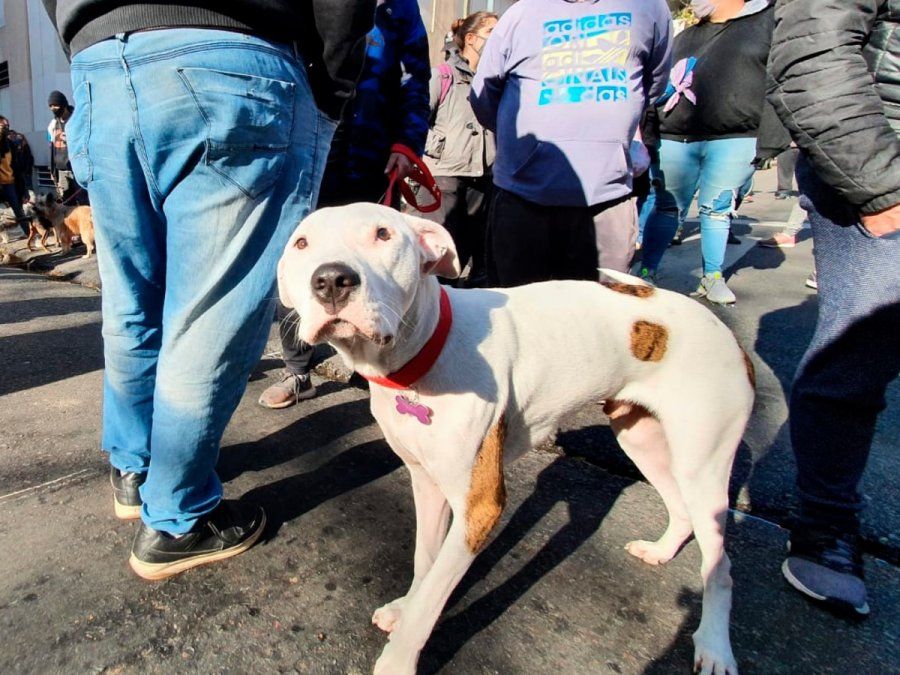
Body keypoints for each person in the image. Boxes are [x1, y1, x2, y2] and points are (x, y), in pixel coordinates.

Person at [41, 0, 375, 579]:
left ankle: (134, 469)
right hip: (233, 57)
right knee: (211, 317)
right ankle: (177, 519)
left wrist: (89, 34)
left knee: (130, 301)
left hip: (101, 68)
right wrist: (333, 87)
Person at [768, 0, 900, 616]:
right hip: (879, 161)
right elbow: (814, 42)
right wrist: (879, 187)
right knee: (855, 356)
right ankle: (826, 525)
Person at [258, 0, 430, 410]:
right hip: (309, 148)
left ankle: (381, 371)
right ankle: (298, 371)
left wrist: (408, 142)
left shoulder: (399, 5)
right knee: (304, 259)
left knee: (380, 264)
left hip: (373, 152)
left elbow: (415, 78)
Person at [470, 0, 673, 287]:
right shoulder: (520, 14)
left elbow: (652, 84)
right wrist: (522, 147)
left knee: (601, 314)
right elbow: (483, 96)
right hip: (523, 196)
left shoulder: (649, 8)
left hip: (607, 197)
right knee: (521, 315)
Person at [638, 0, 789, 303]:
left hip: (735, 137)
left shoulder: (767, 24)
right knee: (667, 207)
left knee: (717, 210)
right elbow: (656, 85)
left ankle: (713, 277)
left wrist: (771, 139)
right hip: (676, 137)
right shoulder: (684, 37)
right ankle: (646, 272)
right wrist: (650, 132)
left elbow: (779, 81)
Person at [421, 11, 498, 288]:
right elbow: (418, 119)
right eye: (491, 32)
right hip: (444, 178)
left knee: (479, 264)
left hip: (486, 180)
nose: (497, 39)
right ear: (471, 38)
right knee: (439, 263)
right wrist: (437, 148)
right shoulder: (441, 76)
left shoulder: (496, 81)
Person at [46, 90, 88, 205]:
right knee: (67, 203)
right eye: (51, 106)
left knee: (84, 201)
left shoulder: (77, 120)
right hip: (62, 170)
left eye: (56, 105)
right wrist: (52, 169)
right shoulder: (53, 124)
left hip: (77, 168)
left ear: (64, 104)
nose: (53, 108)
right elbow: (52, 148)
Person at [0, 117, 31, 237]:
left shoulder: (10, 145)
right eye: (3, 127)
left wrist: (24, 190)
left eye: (8, 126)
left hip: (10, 183)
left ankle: (30, 236)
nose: (6, 129)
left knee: (19, 212)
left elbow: (17, 168)